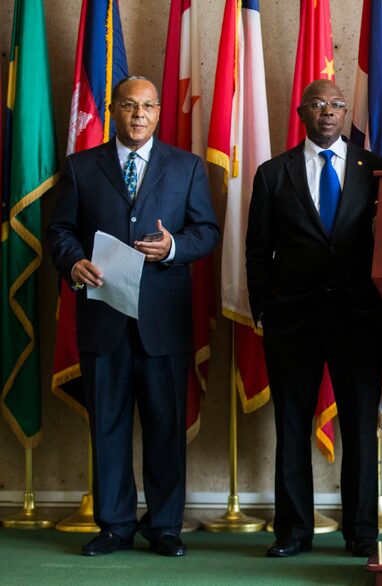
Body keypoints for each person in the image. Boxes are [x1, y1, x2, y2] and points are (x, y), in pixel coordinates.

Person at [47, 76, 220, 557]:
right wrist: (72, 261)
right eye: (128, 105)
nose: (138, 114)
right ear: (113, 111)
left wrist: (173, 247)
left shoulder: (186, 168)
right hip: (103, 319)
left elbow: (207, 231)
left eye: (147, 106)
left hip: (162, 322)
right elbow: (59, 230)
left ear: (160, 113)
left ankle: (164, 526)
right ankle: (115, 525)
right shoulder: (82, 167)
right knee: (108, 426)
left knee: (166, 425)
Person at [246, 79, 382, 558]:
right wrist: (264, 309)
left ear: (345, 111)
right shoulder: (272, 173)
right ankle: (292, 531)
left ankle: (361, 532)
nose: (327, 112)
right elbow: (257, 252)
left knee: (358, 428)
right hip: (292, 321)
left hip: (359, 318)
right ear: (301, 112)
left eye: (335, 104)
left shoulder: (376, 171)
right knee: (291, 425)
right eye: (317, 104)